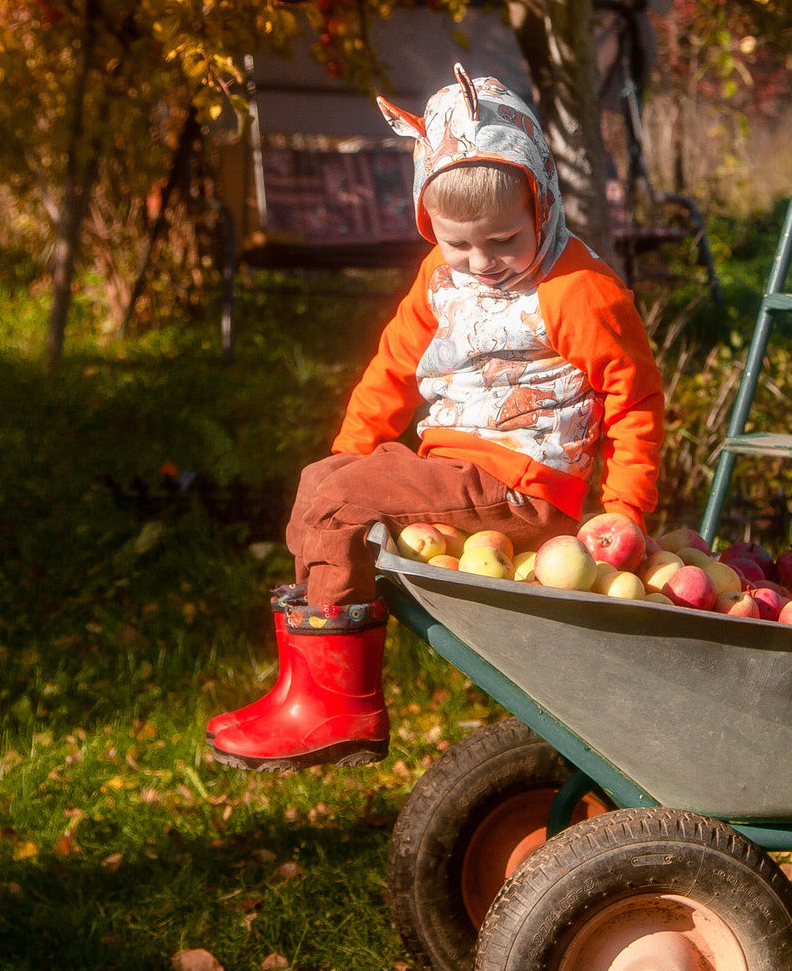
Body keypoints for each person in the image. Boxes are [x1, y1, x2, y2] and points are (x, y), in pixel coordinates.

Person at [205, 69, 665, 773]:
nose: (481, 263)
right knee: (324, 482)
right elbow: (393, 365)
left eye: (504, 239)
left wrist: (626, 509)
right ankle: (312, 684)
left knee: (334, 497)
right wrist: (348, 461)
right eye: (458, 243)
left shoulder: (578, 291)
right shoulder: (440, 279)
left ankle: (340, 705)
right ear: (430, 227)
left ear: (541, 201)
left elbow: (634, 399)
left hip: (521, 487)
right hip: (454, 473)